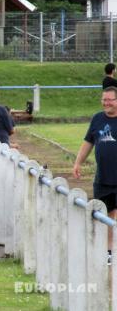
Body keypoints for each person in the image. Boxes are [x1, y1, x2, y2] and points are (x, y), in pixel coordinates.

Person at [73, 86, 117, 261]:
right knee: (104, 215)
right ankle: (107, 252)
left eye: (110, 100)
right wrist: (78, 162)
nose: (106, 103)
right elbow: (88, 143)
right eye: (104, 99)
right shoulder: (97, 119)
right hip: (103, 179)